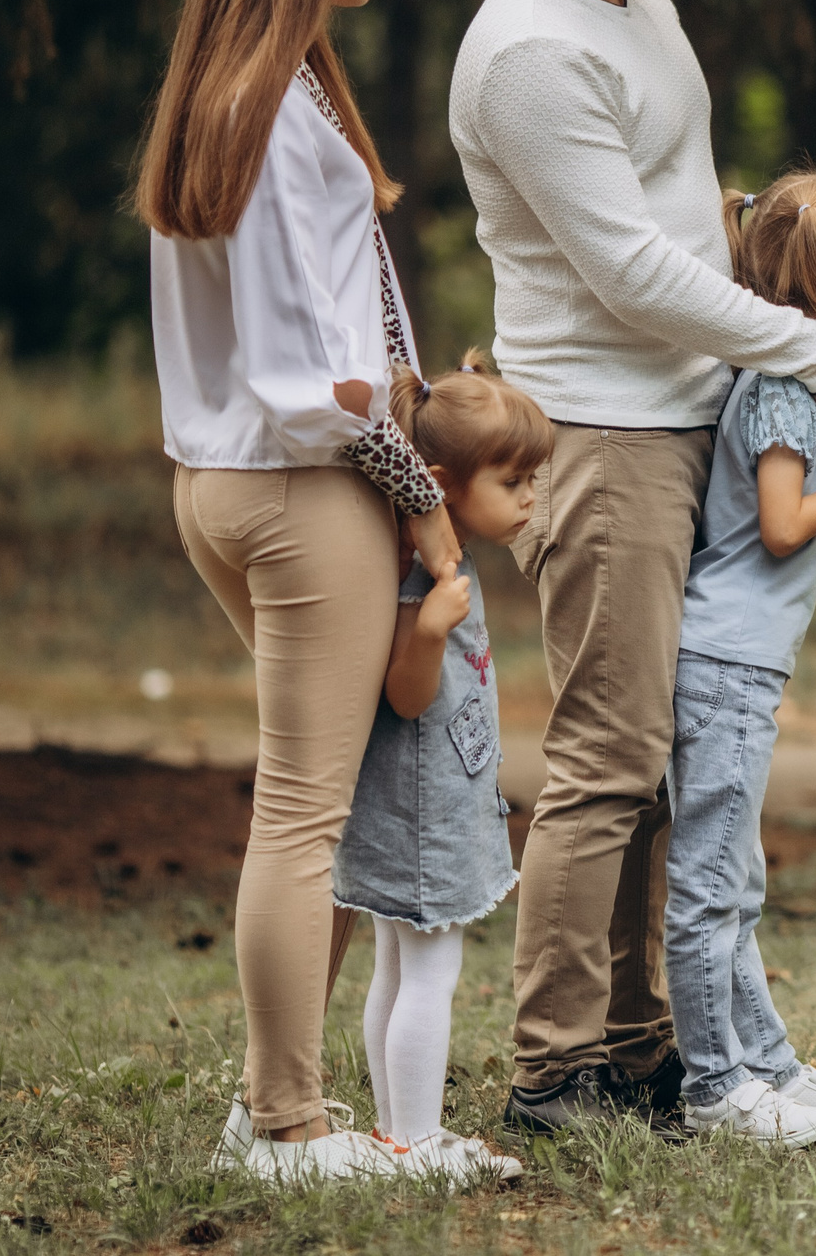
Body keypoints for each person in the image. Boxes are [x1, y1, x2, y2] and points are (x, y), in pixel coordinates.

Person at [448, 0, 816, 1134]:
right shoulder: (526, 56)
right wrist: (804, 345)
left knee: (663, 763)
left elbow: (677, 203)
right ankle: (555, 1068)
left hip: (683, 417)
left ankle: (644, 1042)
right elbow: (623, 270)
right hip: (604, 436)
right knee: (608, 757)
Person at [140, 0, 460, 1184]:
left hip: (232, 481)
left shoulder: (255, 87)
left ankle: (272, 1105)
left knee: (326, 801)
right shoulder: (265, 109)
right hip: (298, 486)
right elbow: (303, 384)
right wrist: (418, 486)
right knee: (307, 815)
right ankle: (284, 1126)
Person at [669, 174, 816, 1147]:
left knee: (737, 884)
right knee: (707, 889)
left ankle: (768, 1066)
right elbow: (780, 525)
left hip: (738, 664)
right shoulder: (784, 391)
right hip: (725, 663)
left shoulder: (788, 381)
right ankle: (714, 1086)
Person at [331, 354, 549, 1188]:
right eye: (512, 479)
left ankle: (399, 1136)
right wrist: (428, 630)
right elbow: (407, 694)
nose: (529, 496)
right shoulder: (421, 573)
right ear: (440, 482)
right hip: (420, 805)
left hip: (425, 795)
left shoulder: (433, 555)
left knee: (396, 964)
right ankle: (416, 1141)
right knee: (429, 968)